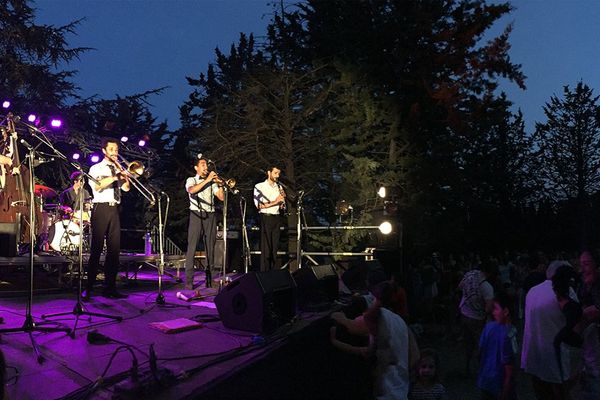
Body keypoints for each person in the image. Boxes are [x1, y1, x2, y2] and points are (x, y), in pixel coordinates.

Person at [330, 281, 410, 400]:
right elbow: (414, 355)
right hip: (400, 385)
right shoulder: (399, 320)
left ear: (376, 299)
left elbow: (352, 327)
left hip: (386, 387)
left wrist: (340, 320)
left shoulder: (377, 318)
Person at [521, 260, 578, 400]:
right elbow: (576, 323)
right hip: (554, 355)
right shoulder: (565, 291)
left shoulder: (533, 291)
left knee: (541, 392)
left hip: (534, 353)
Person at [83, 138, 130, 301]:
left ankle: (110, 288)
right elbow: (98, 186)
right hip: (100, 208)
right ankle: (88, 288)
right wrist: (116, 176)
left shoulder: (118, 168)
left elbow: (126, 188)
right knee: (96, 249)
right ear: (104, 151)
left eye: (116, 149)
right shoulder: (96, 167)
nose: (115, 152)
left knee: (114, 251)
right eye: (112, 149)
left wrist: (125, 175)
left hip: (115, 208)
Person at [184, 155, 224, 289]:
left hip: (211, 215)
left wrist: (219, 183)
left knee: (210, 247)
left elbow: (221, 197)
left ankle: (210, 278)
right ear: (196, 167)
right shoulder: (191, 179)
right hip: (196, 214)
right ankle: (189, 280)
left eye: (206, 165)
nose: (205, 167)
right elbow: (192, 190)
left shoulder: (212, 182)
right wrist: (207, 180)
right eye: (202, 164)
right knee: (192, 247)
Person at [477, 292, 518, 400]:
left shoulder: (488, 327)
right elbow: (509, 368)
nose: (493, 312)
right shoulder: (509, 333)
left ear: (505, 311)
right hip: (499, 382)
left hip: (485, 379)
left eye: (495, 309)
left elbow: (480, 351)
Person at [457, 261, 495, 375]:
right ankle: (483, 369)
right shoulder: (486, 286)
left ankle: (467, 367)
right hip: (477, 317)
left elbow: (459, 287)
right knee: (481, 343)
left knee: (468, 342)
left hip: (464, 312)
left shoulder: (469, 275)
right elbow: (488, 308)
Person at [576, 250, 600, 400]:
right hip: (590, 355)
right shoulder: (586, 285)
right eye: (581, 264)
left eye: (586, 264)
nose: (582, 269)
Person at [253, 165, 285, 271]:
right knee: (266, 248)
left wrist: (282, 203)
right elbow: (259, 205)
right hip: (265, 218)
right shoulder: (259, 186)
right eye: (275, 173)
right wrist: (275, 201)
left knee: (274, 248)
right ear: (269, 172)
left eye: (278, 173)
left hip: (276, 218)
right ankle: (264, 273)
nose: (277, 176)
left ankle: (272, 272)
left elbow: (281, 206)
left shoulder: (279, 187)